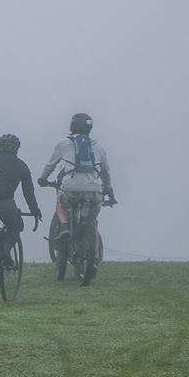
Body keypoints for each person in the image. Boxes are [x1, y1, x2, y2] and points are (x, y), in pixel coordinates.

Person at [37, 114, 114, 281]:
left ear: (72, 127)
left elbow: (51, 165)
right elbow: (106, 171)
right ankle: (93, 261)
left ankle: (64, 226)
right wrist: (107, 190)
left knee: (61, 202)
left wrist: (43, 179)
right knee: (92, 222)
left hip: (70, 188)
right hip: (94, 191)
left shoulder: (64, 143)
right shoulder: (98, 146)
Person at [0, 134, 42, 284]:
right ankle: (5, 249)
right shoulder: (21, 165)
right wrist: (35, 210)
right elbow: (28, 192)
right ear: (17, 149)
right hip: (5, 203)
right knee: (15, 226)